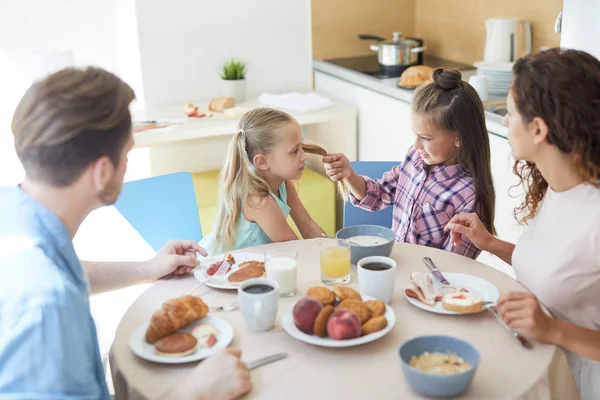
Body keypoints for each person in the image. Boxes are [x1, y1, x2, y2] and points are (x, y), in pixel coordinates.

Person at [0, 67, 251, 400]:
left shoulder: (15, 213)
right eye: (127, 154)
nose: (127, 163)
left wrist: (148, 268)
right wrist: (194, 393)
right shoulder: (48, 309)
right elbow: (53, 287)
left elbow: (70, 269)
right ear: (102, 170)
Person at [445, 48, 600, 399]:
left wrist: (553, 330)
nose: (503, 122)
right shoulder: (560, 187)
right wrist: (489, 242)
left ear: (539, 130)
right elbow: (561, 272)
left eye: (510, 113)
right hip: (538, 362)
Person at [322, 68, 495, 259]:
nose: (416, 144)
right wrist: (349, 175)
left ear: (459, 138)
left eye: (426, 138)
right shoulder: (415, 158)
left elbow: (454, 264)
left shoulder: (468, 195)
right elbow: (379, 195)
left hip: (430, 282)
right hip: (396, 265)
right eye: (415, 134)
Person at [203, 107, 331, 255]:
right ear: (262, 161)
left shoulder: (283, 183)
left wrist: (335, 250)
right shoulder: (258, 201)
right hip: (218, 266)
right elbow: (295, 252)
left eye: (301, 147)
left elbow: (308, 227)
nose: (304, 156)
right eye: (294, 151)